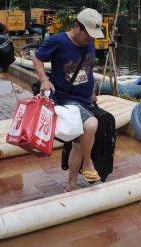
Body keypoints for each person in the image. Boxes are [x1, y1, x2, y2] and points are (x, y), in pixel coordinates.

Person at [32, 8, 105, 191]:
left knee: (79, 145)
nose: (91, 39)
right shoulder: (59, 41)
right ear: (77, 26)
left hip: (85, 99)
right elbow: (37, 58)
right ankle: (87, 165)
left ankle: (71, 184)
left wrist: (92, 91)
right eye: (88, 34)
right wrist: (44, 79)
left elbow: (87, 69)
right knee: (91, 125)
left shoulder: (89, 42)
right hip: (67, 99)